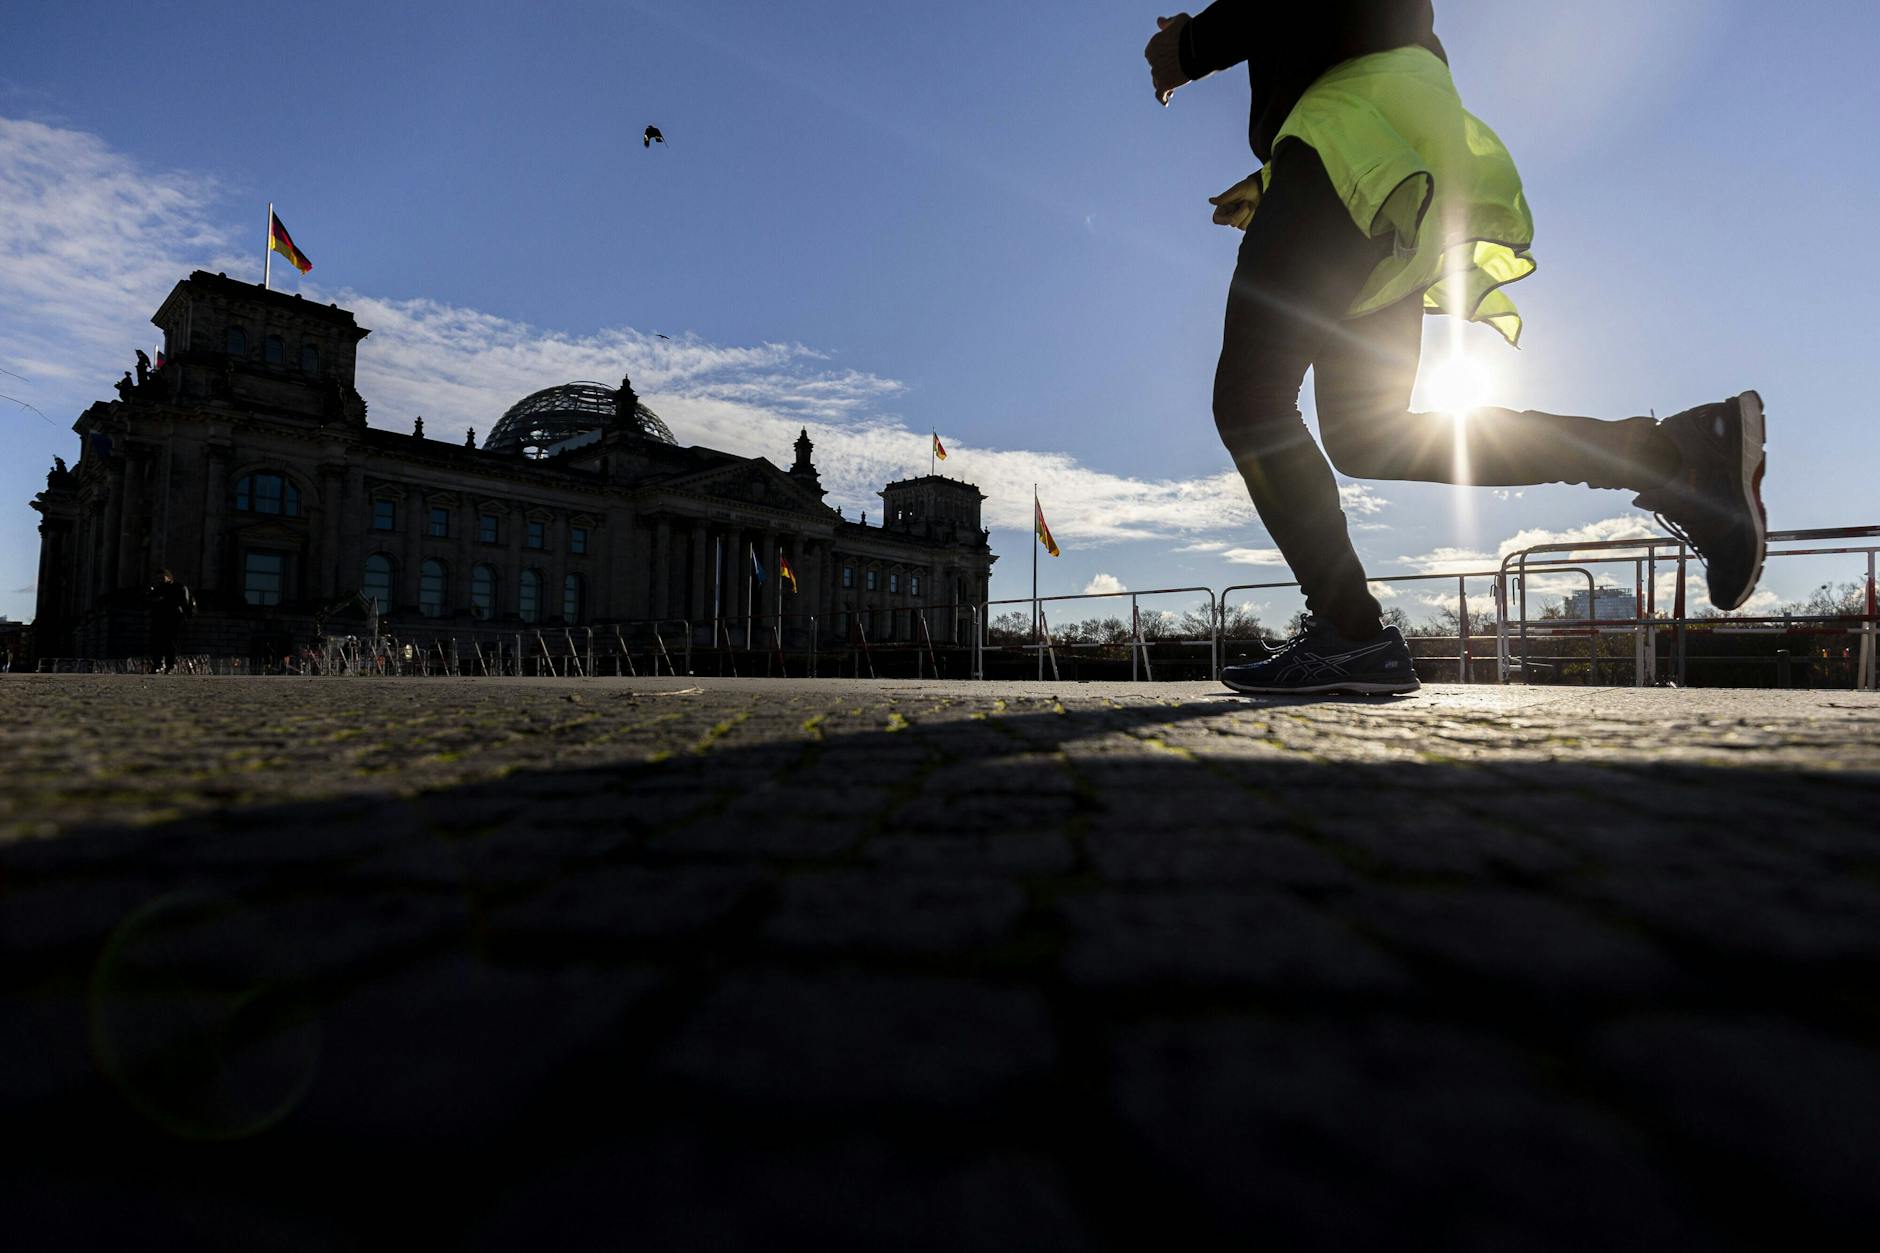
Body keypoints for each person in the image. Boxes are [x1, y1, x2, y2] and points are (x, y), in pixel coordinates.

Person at [1144, 3, 1766, 695]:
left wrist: (1192, 46)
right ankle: (1674, 458)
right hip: (1397, 147)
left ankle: (1350, 633)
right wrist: (1274, 181)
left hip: (1351, 136)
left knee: (1250, 400)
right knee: (1367, 438)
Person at [147, 569, 195, 674]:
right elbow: (149, 601)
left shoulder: (179, 587)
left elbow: (186, 603)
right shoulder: (158, 588)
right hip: (159, 618)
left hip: (173, 618)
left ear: (168, 577)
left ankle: (170, 665)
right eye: (158, 578)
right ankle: (158, 664)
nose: (160, 579)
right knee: (156, 642)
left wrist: (185, 617)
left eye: (162, 577)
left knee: (170, 643)